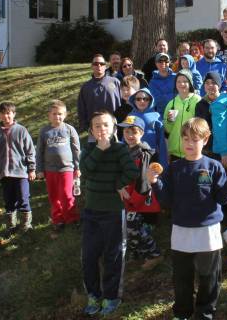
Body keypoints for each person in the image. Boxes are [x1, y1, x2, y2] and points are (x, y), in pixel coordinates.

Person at [148, 117, 227, 320]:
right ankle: (182, 312)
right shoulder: (174, 168)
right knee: (182, 276)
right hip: (181, 230)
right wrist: (154, 182)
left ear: (206, 140)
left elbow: (223, 198)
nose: (189, 144)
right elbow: (166, 201)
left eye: (195, 139)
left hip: (208, 230)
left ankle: (205, 313)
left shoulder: (214, 166)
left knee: (209, 277)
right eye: (185, 139)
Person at [80, 110, 144, 316]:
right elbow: (86, 171)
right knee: (89, 256)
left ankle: (111, 296)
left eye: (106, 125)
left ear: (114, 128)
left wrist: (118, 184)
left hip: (113, 212)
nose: (102, 129)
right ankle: (93, 294)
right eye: (97, 126)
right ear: (91, 130)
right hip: (91, 211)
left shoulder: (119, 150)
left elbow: (132, 172)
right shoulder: (88, 149)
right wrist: (99, 149)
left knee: (113, 255)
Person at [117, 115, 162, 270]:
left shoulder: (144, 153)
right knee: (126, 226)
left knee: (133, 225)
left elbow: (144, 181)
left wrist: (134, 201)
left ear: (141, 133)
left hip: (139, 198)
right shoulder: (122, 151)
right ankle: (137, 252)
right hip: (125, 196)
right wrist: (119, 187)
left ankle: (154, 253)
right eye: (126, 132)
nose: (130, 136)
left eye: (134, 132)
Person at [0, 102, 36, 235]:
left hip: (21, 173)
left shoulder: (21, 130)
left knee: (23, 199)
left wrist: (31, 168)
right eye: (3, 113)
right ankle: (11, 227)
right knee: (9, 201)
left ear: (13, 114)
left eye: (8, 113)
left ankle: (26, 226)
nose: (6, 116)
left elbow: (30, 150)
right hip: (5, 174)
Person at [35, 99, 81, 230]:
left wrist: (78, 167)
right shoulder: (45, 131)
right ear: (49, 115)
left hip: (67, 169)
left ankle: (72, 217)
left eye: (60, 114)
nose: (57, 116)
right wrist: (40, 169)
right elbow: (39, 151)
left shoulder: (69, 129)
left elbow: (76, 149)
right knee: (54, 196)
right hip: (50, 170)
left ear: (65, 115)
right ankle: (58, 219)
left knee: (67, 194)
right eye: (54, 114)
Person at [77, 54, 122, 139]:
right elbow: (81, 109)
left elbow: (123, 102)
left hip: (114, 127)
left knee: (115, 151)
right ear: (92, 66)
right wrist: (85, 127)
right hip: (94, 130)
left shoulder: (115, 82)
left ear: (106, 66)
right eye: (96, 64)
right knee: (96, 152)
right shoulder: (86, 87)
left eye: (101, 64)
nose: (99, 66)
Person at [164, 69, 202, 162]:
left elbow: (202, 127)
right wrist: (169, 121)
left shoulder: (197, 101)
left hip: (193, 152)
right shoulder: (171, 103)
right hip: (174, 153)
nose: (182, 84)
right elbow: (167, 130)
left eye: (185, 81)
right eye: (179, 81)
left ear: (190, 83)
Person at [127, 88, 169, 170]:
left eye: (145, 99)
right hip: (133, 155)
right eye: (138, 99)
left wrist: (163, 163)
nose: (142, 101)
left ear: (150, 101)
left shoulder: (156, 116)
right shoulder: (130, 116)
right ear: (134, 101)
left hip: (151, 156)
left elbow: (161, 142)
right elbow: (125, 138)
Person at [193, 72, 222, 160]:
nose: (210, 85)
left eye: (213, 83)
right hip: (206, 149)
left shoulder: (224, 102)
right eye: (207, 83)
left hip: (223, 149)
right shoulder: (200, 104)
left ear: (219, 85)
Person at [115, 75, 140, 140]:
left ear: (136, 90)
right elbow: (118, 131)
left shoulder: (141, 108)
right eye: (123, 90)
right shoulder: (118, 111)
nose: (125, 92)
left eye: (128, 89)